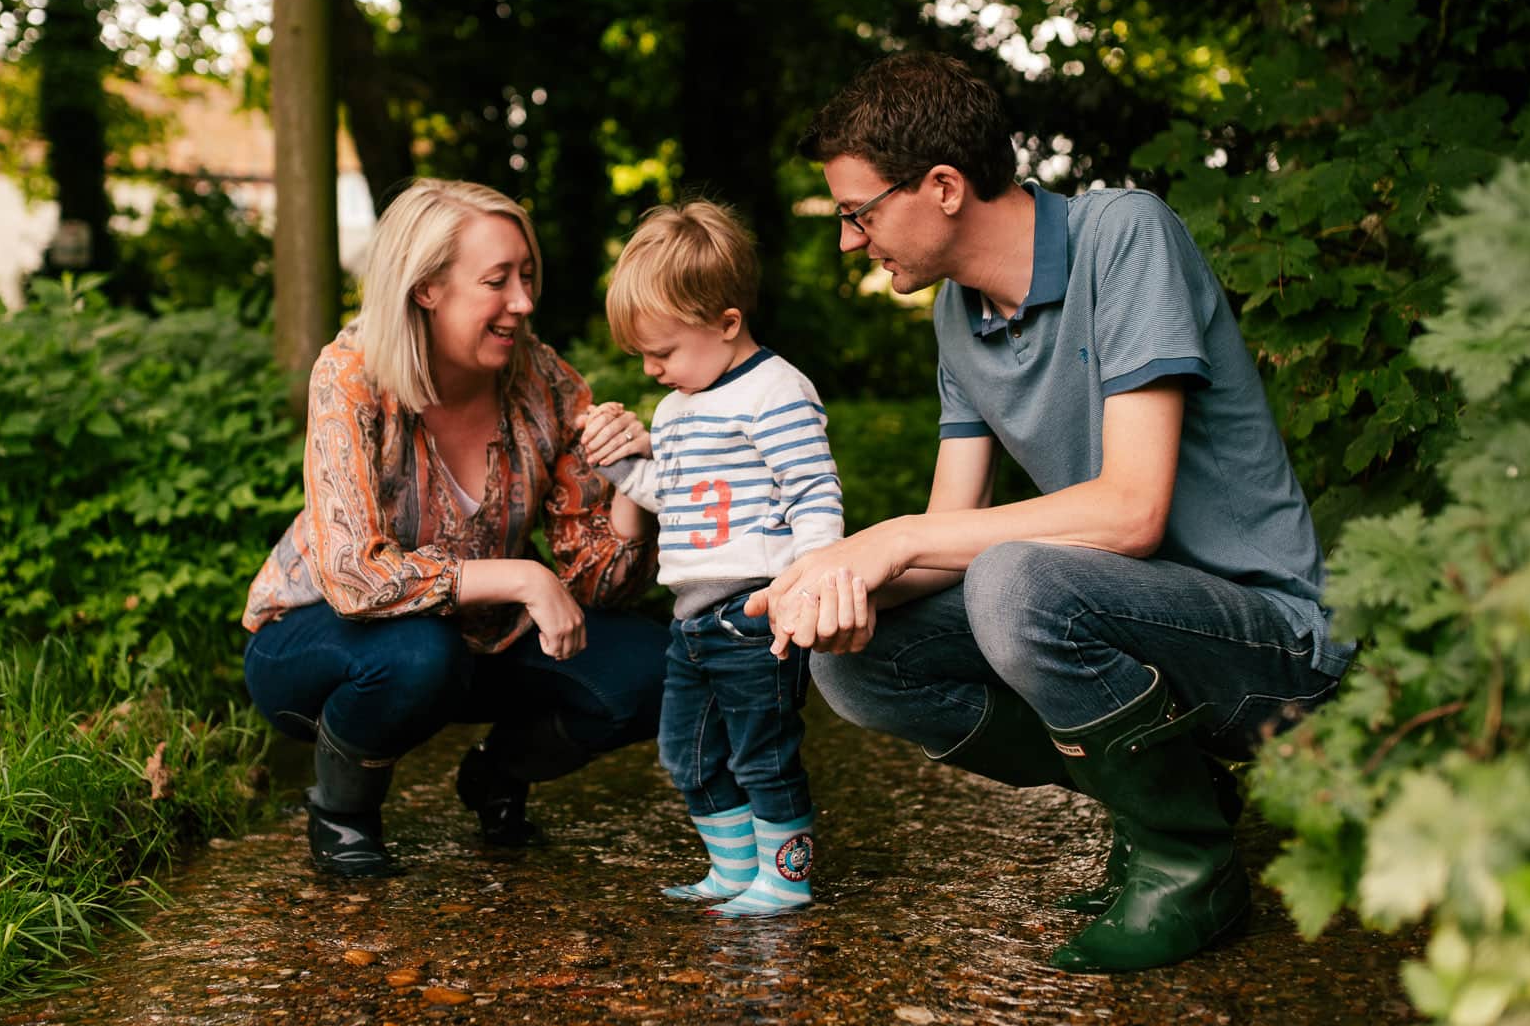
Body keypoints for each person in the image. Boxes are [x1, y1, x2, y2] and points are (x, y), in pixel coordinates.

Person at [749, 52, 1355, 972]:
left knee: (1016, 580)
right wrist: (822, 580)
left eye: (857, 212)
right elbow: (947, 538)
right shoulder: (957, 315)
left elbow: (1130, 511)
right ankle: (1166, 794)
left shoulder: (1125, 235)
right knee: (859, 659)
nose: (848, 240)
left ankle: (1189, 865)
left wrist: (893, 537)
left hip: (1271, 645)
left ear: (943, 186)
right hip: (1128, 619)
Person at [242, 178, 665, 879]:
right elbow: (352, 576)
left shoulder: (545, 381)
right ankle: (343, 810)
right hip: (320, 641)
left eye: (527, 275)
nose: (523, 301)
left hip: (483, 642)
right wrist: (522, 575)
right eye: (497, 281)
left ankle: (497, 774)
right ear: (426, 288)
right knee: (419, 654)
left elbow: (598, 588)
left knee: (659, 669)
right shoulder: (352, 375)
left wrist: (633, 484)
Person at [579, 201, 844, 917]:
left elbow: (813, 489)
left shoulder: (775, 391)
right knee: (686, 751)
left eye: (663, 351)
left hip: (754, 610)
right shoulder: (676, 409)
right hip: (691, 617)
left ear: (727, 323)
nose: (651, 369)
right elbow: (670, 494)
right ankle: (733, 869)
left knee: (762, 750)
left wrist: (811, 580)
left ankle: (786, 876)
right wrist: (617, 466)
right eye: (643, 355)